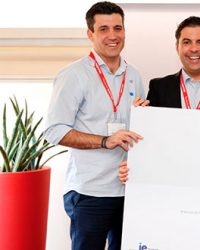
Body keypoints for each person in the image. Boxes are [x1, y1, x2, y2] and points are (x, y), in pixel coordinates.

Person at [44, 2, 148, 249]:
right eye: (103, 29)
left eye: (118, 28)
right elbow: (54, 131)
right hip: (90, 192)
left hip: (128, 190)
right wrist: (105, 140)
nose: (112, 36)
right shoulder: (74, 75)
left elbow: (137, 132)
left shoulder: (133, 75)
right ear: (90, 33)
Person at [118, 16, 200, 183]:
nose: (194, 49)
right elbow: (151, 140)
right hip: (172, 179)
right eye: (186, 42)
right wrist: (136, 164)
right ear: (177, 47)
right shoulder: (159, 87)